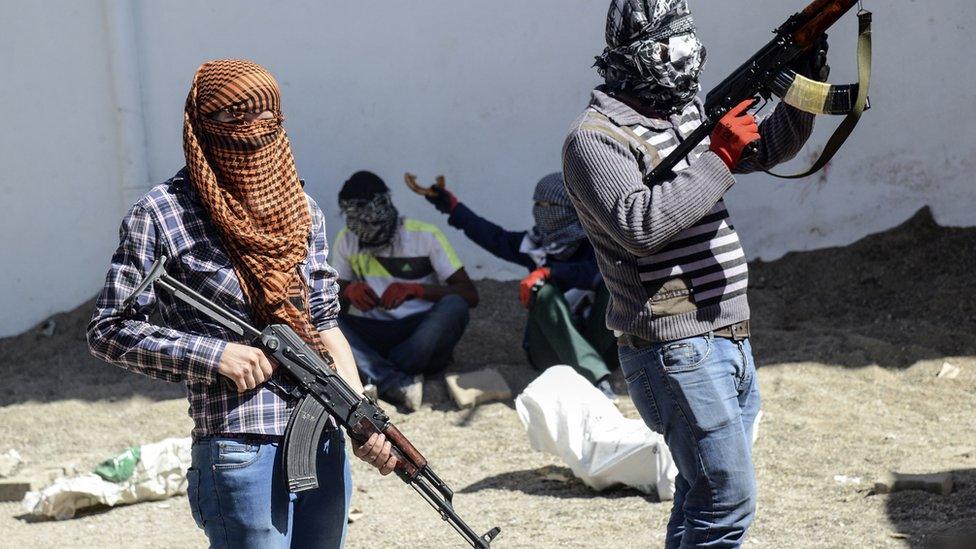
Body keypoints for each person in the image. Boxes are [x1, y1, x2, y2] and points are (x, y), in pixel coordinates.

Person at [88, 59, 397, 548]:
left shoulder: (302, 211)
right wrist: (214, 356)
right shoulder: (162, 214)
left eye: (265, 115)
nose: (252, 131)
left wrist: (362, 420)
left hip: (322, 443)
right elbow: (109, 329)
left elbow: (325, 323)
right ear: (201, 126)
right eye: (233, 118)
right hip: (239, 450)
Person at [561, 1, 828, 546]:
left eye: (688, 40)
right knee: (727, 503)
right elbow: (641, 225)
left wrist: (807, 78)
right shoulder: (594, 139)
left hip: (727, 333)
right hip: (674, 345)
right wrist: (720, 158)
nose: (686, 57)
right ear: (633, 54)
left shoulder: (682, 114)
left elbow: (771, 145)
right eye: (670, 44)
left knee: (701, 495)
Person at [424, 172, 619, 400]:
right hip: (550, 354)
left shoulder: (597, 243)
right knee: (544, 293)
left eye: (549, 204)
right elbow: (494, 238)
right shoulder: (535, 245)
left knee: (612, 284)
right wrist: (453, 208)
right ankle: (598, 381)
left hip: (600, 349)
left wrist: (549, 271)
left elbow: (594, 271)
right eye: (537, 204)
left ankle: (598, 369)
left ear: (571, 206)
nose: (540, 210)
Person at [332, 171, 478, 412]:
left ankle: (378, 375)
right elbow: (332, 299)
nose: (368, 229)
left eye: (375, 222)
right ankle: (394, 382)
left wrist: (417, 290)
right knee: (325, 320)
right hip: (374, 333)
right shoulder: (347, 240)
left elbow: (470, 294)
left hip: (418, 335)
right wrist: (348, 291)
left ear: (386, 208)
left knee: (455, 306)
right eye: (361, 224)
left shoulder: (424, 236)